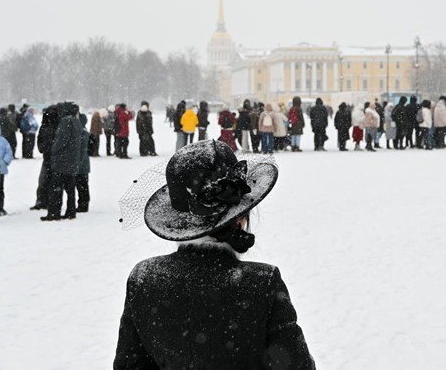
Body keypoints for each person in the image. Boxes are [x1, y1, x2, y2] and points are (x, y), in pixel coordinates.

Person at [114, 140, 316, 370]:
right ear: (240, 217)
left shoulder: (144, 278)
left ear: (180, 222)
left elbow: (129, 365)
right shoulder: (262, 282)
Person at [42, 102, 81, 221]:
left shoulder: (66, 122)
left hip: (62, 161)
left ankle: (54, 213)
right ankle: (71, 211)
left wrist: (53, 150)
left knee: (55, 188)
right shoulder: (77, 122)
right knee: (70, 189)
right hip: (72, 161)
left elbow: (61, 141)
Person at [31, 105, 59, 211]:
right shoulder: (48, 126)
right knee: (44, 180)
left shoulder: (52, 126)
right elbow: (40, 139)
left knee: (48, 180)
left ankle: (46, 201)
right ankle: (42, 200)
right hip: (48, 157)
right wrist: (42, 147)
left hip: (52, 157)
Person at [0, 120, 14, 216]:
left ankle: (0, 207)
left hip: (0, 168)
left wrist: (5, 161)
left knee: (0, 189)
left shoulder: (3, 141)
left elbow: (9, 152)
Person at [77, 112, 92, 212]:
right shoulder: (84, 131)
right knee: (83, 185)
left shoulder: (82, 133)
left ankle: (83, 204)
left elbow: (81, 150)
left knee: (82, 186)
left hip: (81, 164)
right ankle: (84, 203)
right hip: (84, 164)